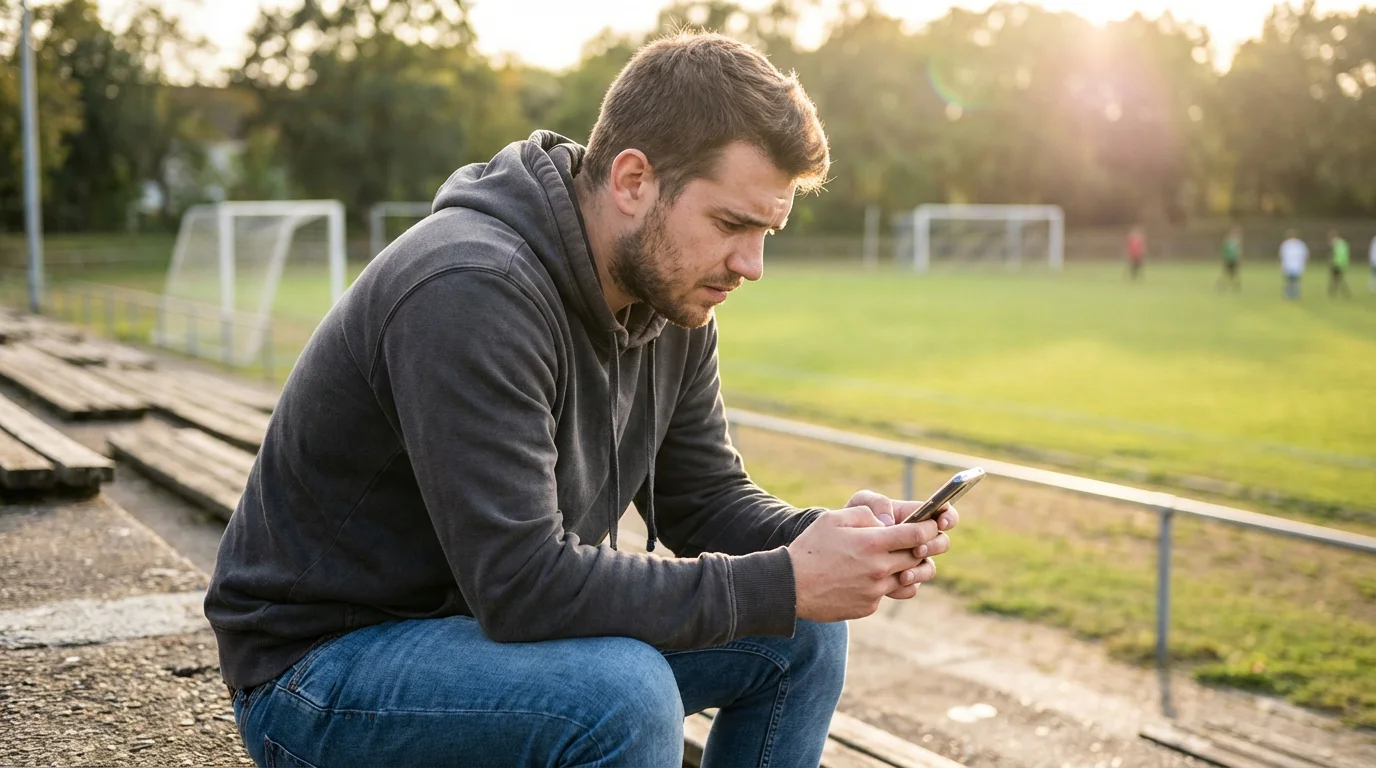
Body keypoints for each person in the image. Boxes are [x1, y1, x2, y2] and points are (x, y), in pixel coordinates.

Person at [207, 32, 959, 768]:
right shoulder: (471, 288)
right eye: (731, 224)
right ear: (633, 181)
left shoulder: (673, 295)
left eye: (767, 231)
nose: (750, 265)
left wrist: (832, 540)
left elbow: (703, 502)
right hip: (323, 673)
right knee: (620, 695)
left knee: (802, 630)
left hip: (489, 639)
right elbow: (523, 585)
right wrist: (787, 577)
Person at [1279, 229, 1308, 300]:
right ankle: (1293, 295)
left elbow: (1282, 256)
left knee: (1292, 282)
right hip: (1294, 266)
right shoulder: (1300, 244)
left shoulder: (1286, 245)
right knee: (1293, 282)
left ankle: (1290, 296)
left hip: (1291, 266)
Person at [1216, 225, 1243, 292]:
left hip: (1233, 261)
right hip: (1229, 260)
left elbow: (1238, 253)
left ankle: (1235, 288)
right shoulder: (1229, 242)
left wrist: (1238, 259)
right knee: (1228, 275)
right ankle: (1223, 287)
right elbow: (1224, 251)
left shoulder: (1236, 242)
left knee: (1232, 275)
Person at [1327, 230, 1352, 298]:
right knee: (1338, 279)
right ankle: (1337, 293)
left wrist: (1332, 262)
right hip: (1342, 264)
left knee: (1336, 279)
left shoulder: (1336, 244)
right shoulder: (1344, 243)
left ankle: (1334, 293)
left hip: (1336, 264)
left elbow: (1334, 254)